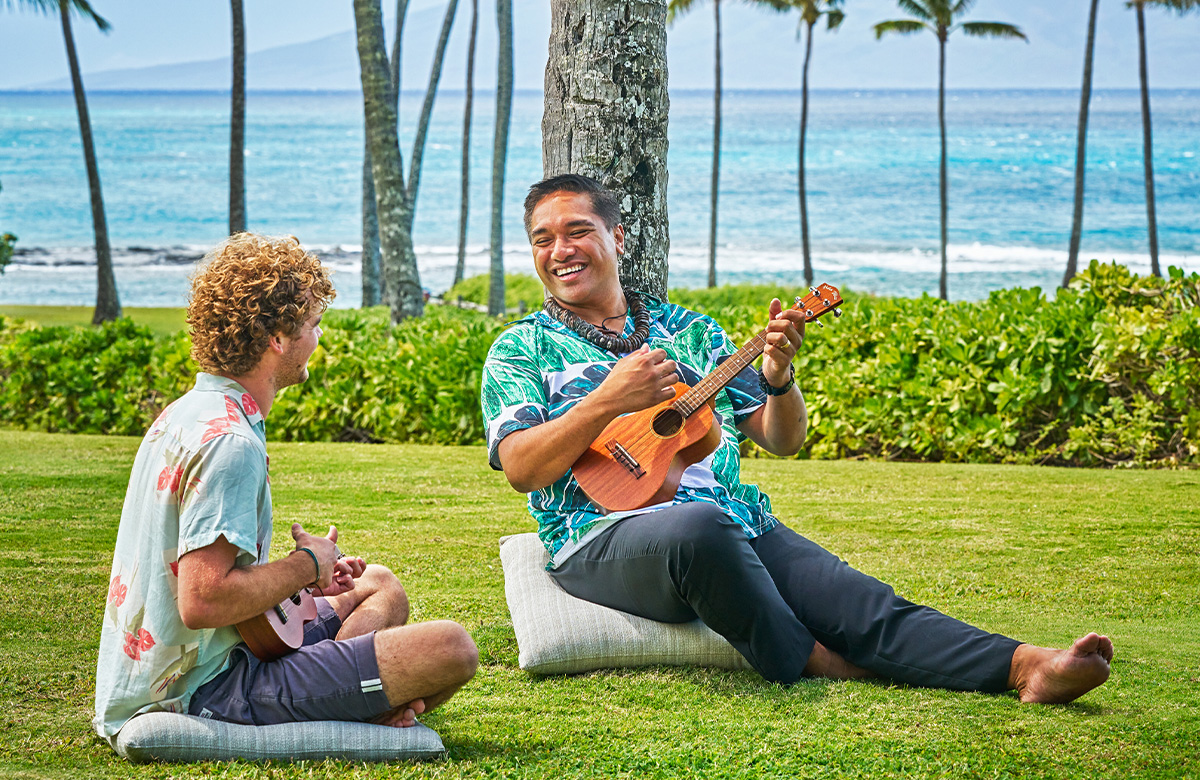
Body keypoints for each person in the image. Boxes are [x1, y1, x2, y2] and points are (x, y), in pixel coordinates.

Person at [480, 173, 1113, 703]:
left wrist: (780, 380)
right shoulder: (520, 349)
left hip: (737, 522)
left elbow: (782, 440)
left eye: (577, 231)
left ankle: (1025, 666)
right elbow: (521, 467)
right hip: (600, 537)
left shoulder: (692, 333)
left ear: (617, 237)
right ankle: (812, 658)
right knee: (696, 528)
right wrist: (604, 403)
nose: (559, 249)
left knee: (856, 598)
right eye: (543, 239)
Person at [93, 234, 477, 748]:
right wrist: (306, 566)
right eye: (313, 324)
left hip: (216, 652)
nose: (318, 338)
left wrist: (302, 589)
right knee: (452, 649)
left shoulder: (189, 412)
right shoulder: (230, 443)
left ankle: (342, 695)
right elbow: (203, 601)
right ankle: (349, 707)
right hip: (203, 686)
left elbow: (208, 570)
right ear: (278, 336)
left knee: (378, 585)